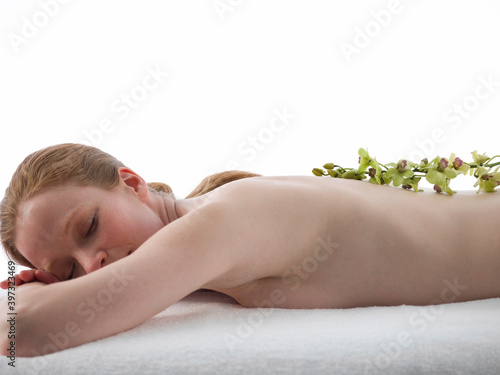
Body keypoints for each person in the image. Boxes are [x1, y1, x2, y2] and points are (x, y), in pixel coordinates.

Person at [1, 143, 499, 358]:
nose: (93, 266)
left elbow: (27, 332)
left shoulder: (224, 219)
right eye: (67, 269)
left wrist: (26, 305)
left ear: (131, 184)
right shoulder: (212, 239)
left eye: (88, 227)